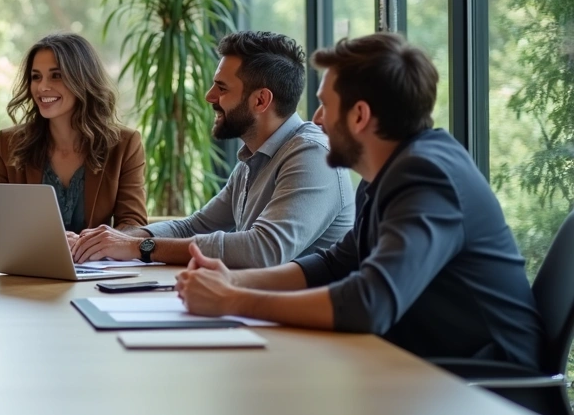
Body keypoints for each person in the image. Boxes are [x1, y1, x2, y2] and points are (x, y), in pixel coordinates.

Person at [175, 33, 544, 368]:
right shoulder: (386, 174)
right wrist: (237, 281)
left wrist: (233, 300)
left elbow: (369, 304)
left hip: (488, 387)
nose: (317, 120)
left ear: (359, 115)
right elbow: (335, 264)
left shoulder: (428, 177)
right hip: (423, 369)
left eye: (325, 105)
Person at [72, 31, 354, 268]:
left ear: (260, 100)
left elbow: (264, 249)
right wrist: (108, 241)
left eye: (222, 88)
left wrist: (139, 247)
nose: (209, 96)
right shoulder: (253, 159)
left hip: (302, 316)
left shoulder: (313, 154)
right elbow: (192, 226)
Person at [0, 32, 148, 234]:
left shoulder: (124, 144)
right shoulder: (8, 142)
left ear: (82, 79)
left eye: (56, 75)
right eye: (36, 77)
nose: (42, 87)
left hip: (95, 255)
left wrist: (93, 243)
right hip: (28, 255)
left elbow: (133, 223)